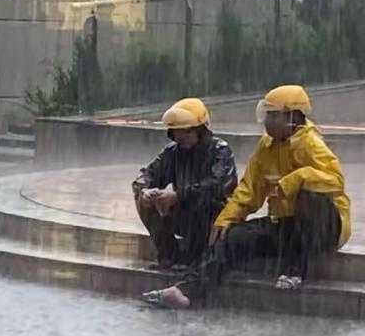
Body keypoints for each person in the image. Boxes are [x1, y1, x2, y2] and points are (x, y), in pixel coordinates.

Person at [146, 85, 351, 309]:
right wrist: (227, 218)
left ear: (293, 116)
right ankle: (186, 290)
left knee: (309, 197)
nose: (267, 121)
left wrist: (296, 179)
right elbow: (249, 190)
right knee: (233, 237)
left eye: (274, 115)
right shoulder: (266, 146)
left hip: (324, 227)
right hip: (285, 226)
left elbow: (335, 181)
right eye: (267, 115)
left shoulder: (312, 144)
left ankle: (295, 270)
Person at [133, 98, 237, 309]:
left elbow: (217, 186)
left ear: (200, 129)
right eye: (177, 132)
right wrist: (146, 190)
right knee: (146, 200)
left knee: (205, 206)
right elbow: (148, 174)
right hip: (185, 214)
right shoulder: (173, 152)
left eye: (187, 132)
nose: (181, 137)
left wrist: (179, 195)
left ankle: (194, 263)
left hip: (214, 217)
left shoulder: (219, 150)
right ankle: (169, 255)